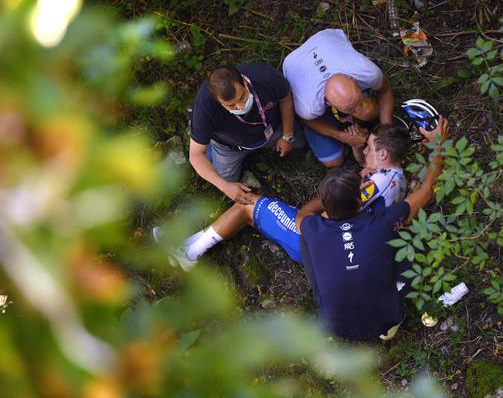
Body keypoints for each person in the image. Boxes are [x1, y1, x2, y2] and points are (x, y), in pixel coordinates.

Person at [159, 124, 411, 271]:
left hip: (321, 245)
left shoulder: (374, 185)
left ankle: (189, 255)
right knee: (253, 218)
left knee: (248, 206)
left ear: (384, 155)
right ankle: (188, 244)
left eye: (369, 147)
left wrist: (306, 214)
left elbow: (332, 213)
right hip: (341, 251)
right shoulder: (396, 179)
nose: (365, 149)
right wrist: (359, 151)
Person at [298, 117, 449, 341]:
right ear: (361, 200)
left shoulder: (314, 229)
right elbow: (427, 190)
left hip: (335, 325)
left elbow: (301, 215)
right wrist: (438, 145)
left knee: (306, 243)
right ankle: (391, 324)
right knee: (408, 236)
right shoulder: (384, 222)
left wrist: (328, 198)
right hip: (386, 318)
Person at [189, 65, 304, 204]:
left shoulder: (265, 76)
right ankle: (203, 140)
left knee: (301, 140)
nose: (240, 106)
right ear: (218, 102)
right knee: (223, 179)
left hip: (271, 129)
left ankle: (201, 135)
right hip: (230, 147)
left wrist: (287, 135)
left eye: (242, 96)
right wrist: (225, 187)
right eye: (231, 105)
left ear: (244, 80)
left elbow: (285, 98)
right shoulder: (205, 107)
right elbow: (195, 155)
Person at [282, 29, 394, 168]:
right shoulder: (309, 106)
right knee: (333, 161)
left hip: (325, 38)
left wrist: (386, 132)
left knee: (368, 111)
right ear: (327, 103)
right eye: (350, 108)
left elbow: (385, 90)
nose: (358, 109)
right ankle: (342, 123)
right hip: (293, 62)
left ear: (353, 80)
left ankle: (348, 115)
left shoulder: (367, 72)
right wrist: (341, 136)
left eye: (358, 100)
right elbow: (308, 120)